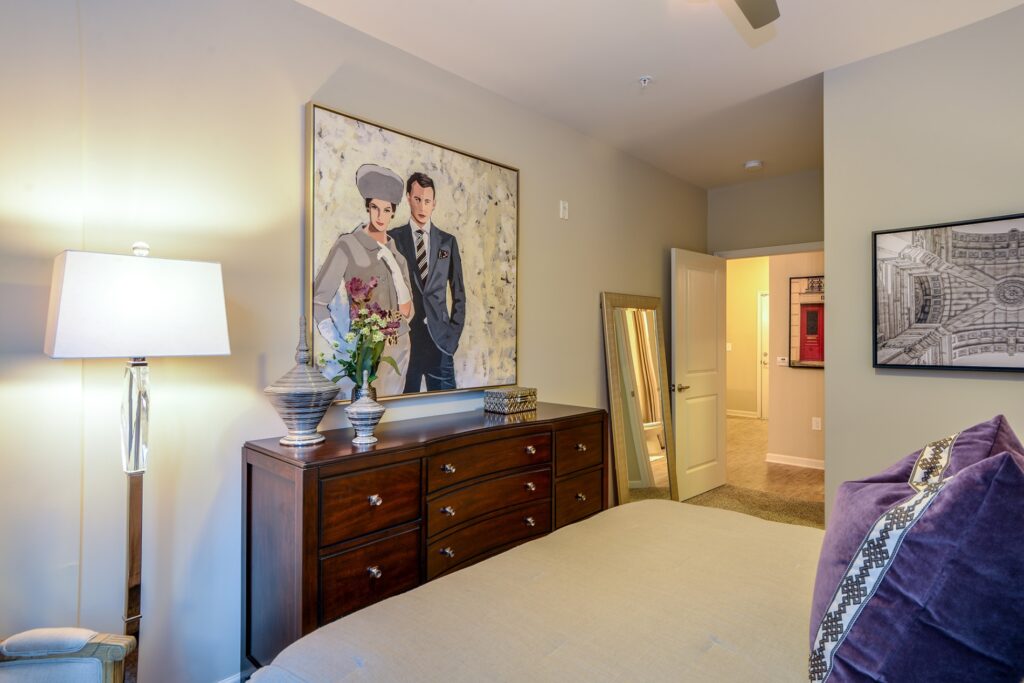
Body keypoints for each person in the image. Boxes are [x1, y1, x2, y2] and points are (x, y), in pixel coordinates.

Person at [312, 164, 415, 396]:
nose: (380, 216)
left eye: (387, 210)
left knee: (394, 413)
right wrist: (340, 344)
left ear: (393, 212)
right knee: (362, 412)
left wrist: (392, 263)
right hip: (363, 349)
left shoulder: (397, 256)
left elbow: (407, 312)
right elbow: (318, 301)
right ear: (367, 208)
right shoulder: (348, 244)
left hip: (399, 346)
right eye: (375, 208)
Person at [389, 172, 466, 392]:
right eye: (417, 199)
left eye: (427, 201)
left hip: (441, 345)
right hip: (406, 344)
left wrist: (452, 339)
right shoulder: (394, 239)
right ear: (408, 199)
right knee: (403, 415)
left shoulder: (447, 242)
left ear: (434, 204)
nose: (422, 206)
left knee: (448, 414)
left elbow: (459, 293)